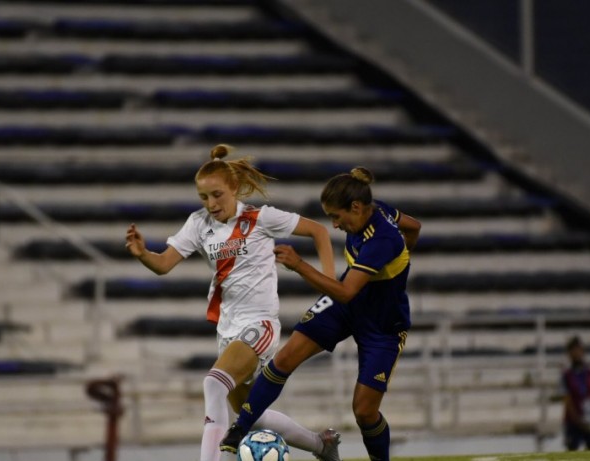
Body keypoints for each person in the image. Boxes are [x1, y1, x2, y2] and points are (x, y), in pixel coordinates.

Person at [125, 144, 342, 461]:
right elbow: (164, 264)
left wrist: (331, 284)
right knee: (249, 414)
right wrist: (144, 254)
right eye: (203, 197)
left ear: (235, 189)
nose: (210, 204)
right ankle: (322, 445)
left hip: (260, 324)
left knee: (213, 383)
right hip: (228, 330)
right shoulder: (198, 224)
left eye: (217, 195)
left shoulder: (260, 218)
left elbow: (319, 232)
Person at [220, 167, 421, 461]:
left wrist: (300, 265)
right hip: (346, 307)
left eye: (337, 217)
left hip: (382, 324)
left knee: (364, 411)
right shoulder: (377, 209)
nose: (336, 225)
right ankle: (239, 429)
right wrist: (404, 257)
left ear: (355, 207)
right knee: (285, 357)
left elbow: (345, 291)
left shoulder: (383, 241)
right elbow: (414, 227)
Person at [560, 336, 590, 451]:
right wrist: (577, 420)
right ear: (569, 354)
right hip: (573, 421)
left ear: (583, 351)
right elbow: (567, 399)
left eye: (578, 350)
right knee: (572, 452)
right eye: (573, 351)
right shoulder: (566, 375)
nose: (576, 354)